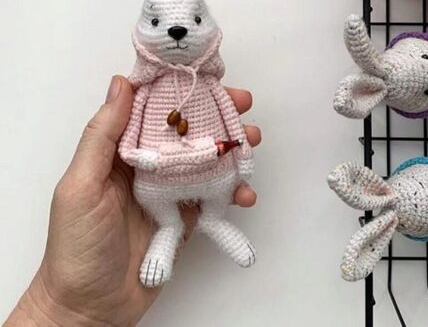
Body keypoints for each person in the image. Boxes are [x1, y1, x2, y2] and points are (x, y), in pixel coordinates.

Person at [5, 76, 261, 326]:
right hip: (157, 176)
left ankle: (213, 220)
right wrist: (141, 157)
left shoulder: (209, 84)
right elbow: (127, 146)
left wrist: (243, 156)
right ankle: (169, 228)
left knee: (222, 187)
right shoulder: (146, 91)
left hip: (214, 171)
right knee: (155, 198)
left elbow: (232, 124)